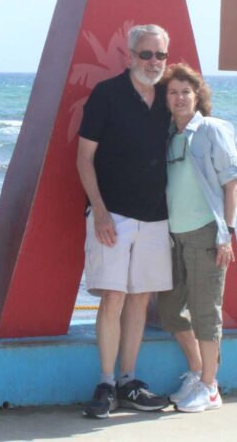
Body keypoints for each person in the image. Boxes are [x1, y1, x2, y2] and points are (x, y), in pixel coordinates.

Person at [76, 24, 173, 419]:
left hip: (156, 217)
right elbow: (84, 158)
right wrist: (99, 211)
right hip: (112, 214)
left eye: (160, 56)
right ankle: (105, 382)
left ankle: (129, 380)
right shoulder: (106, 95)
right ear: (130, 56)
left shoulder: (172, 97)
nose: (153, 62)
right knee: (113, 298)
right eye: (146, 54)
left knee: (139, 299)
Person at [156, 63, 237, 413]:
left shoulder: (210, 130)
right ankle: (197, 371)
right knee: (170, 309)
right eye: (173, 92)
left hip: (207, 234)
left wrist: (227, 235)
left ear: (197, 96)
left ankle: (210, 387)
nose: (179, 98)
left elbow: (231, 181)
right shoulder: (168, 135)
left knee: (206, 312)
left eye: (186, 92)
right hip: (174, 236)